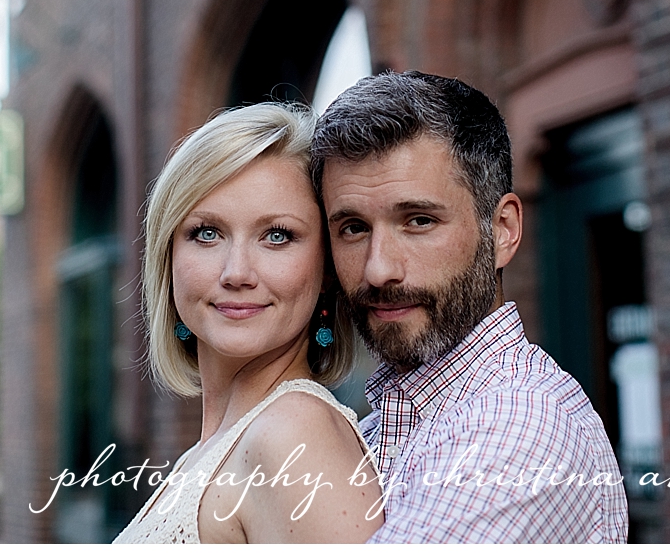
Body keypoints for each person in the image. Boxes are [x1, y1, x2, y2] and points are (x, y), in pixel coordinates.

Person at [311, 71, 628, 542]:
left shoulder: (520, 428)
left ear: (501, 230)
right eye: (353, 228)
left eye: (418, 220)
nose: (378, 270)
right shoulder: (379, 425)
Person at [115, 103, 383, 544]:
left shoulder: (293, 436)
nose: (236, 272)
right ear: (168, 259)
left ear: (327, 270)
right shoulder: (213, 450)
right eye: (206, 233)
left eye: (277, 235)